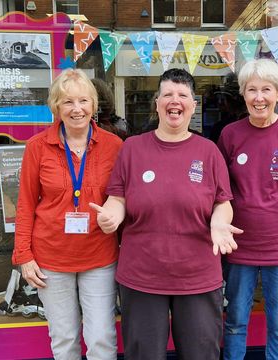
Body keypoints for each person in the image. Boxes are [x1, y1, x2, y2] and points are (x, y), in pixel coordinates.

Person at [90, 68, 242, 360]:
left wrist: (220, 222)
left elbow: (223, 201)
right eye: (168, 94)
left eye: (183, 95)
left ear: (193, 105)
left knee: (202, 354)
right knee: (143, 354)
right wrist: (111, 215)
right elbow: (117, 198)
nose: (176, 100)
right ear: (157, 102)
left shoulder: (209, 151)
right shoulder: (132, 148)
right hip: (142, 275)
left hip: (197, 275)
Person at [12, 69, 122, 360]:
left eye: (83, 101)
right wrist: (23, 255)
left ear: (94, 105)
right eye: (67, 102)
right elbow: (25, 204)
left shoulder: (115, 146)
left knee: (101, 338)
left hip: (99, 256)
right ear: (56, 107)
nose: (77, 109)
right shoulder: (37, 147)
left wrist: (117, 215)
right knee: (64, 339)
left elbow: (124, 198)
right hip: (51, 258)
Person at [217, 59, 278, 360]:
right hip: (238, 245)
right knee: (234, 322)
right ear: (243, 94)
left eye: (266, 90)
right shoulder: (229, 135)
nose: (258, 97)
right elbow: (220, 193)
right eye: (251, 90)